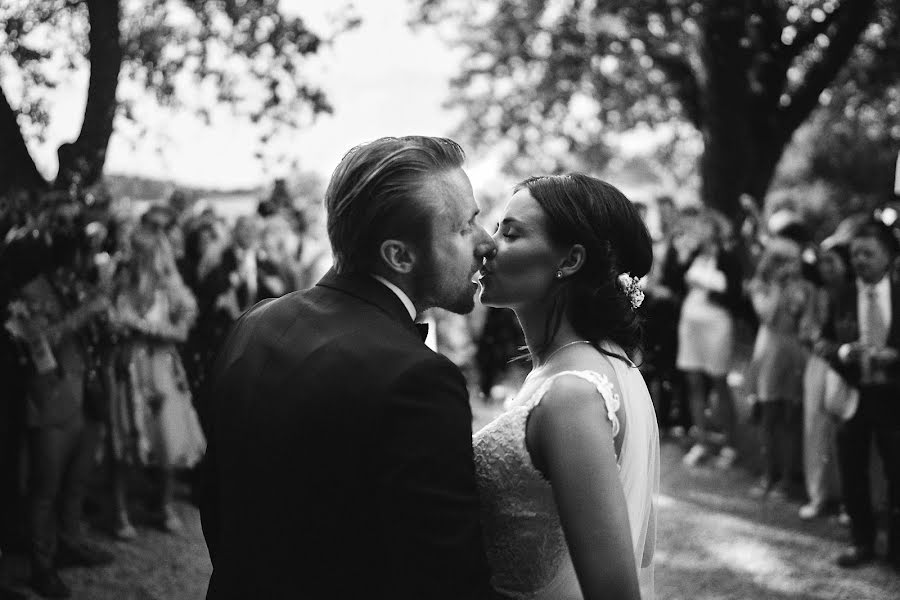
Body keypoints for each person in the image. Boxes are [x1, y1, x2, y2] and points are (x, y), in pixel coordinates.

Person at [199, 136, 500, 599]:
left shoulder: (255, 323)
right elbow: (446, 575)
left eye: (477, 219)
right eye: (464, 228)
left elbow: (218, 508)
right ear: (399, 256)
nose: (487, 244)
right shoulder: (418, 379)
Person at [476, 173, 659, 600]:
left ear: (570, 260)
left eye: (511, 233)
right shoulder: (607, 366)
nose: (487, 245)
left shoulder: (573, 395)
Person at [107, 225, 205, 539]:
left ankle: (165, 505)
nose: (133, 257)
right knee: (126, 434)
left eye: (139, 252)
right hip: (129, 366)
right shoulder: (120, 283)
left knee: (167, 436)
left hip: (161, 365)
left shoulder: (171, 290)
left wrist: (143, 327)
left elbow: (182, 333)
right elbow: (109, 322)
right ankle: (120, 511)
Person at [820, 220, 900, 571]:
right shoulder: (842, 296)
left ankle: (895, 547)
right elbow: (823, 342)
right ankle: (861, 541)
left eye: (868, 253)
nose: (860, 260)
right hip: (853, 394)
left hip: (894, 396)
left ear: (889, 255)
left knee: (897, 470)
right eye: (855, 254)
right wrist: (843, 353)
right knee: (853, 470)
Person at [676, 209, 743, 469]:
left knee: (719, 381)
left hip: (717, 324)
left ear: (715, 231)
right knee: (693, 380)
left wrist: (708, 284)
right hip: (690, 322)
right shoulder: (692, 256)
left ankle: (730, 442)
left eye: (703, 227)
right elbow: (675, 281)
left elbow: (734, 296)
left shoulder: (728, 259)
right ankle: (701, 440)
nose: (698, 232)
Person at [745, 237, 811, 499]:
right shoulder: (760, 286)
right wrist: (776, 287)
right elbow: (767, 315)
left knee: (791, 414)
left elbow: (800, 314)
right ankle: (769, 474)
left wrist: (792, 289)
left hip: (794, 351)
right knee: (769, 415)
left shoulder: (802, 287)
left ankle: (787, 477)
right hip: (770, 351)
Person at [798, 241, 852, 520]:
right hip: (818, 364)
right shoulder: (816, 293)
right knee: (814, 427)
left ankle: (848, 498)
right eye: (824, 262)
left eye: (833, 261)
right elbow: (805, 330)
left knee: (844, 432)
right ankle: (818, 493)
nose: (826, 267)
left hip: (845, 368)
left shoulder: (853, 294)